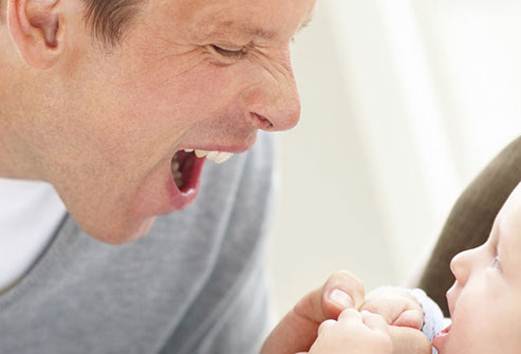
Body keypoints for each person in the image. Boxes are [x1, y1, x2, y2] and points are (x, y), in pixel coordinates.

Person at [0, 0, 326, 353]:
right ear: (45, 21)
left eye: (292, 37)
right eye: (228, 48)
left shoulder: (209, 169)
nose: (286, 110)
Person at [278, 180, 521, 354]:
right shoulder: (452, 339)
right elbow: (438, 326)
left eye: (497, 260)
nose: (460, 260)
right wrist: (410, 312)